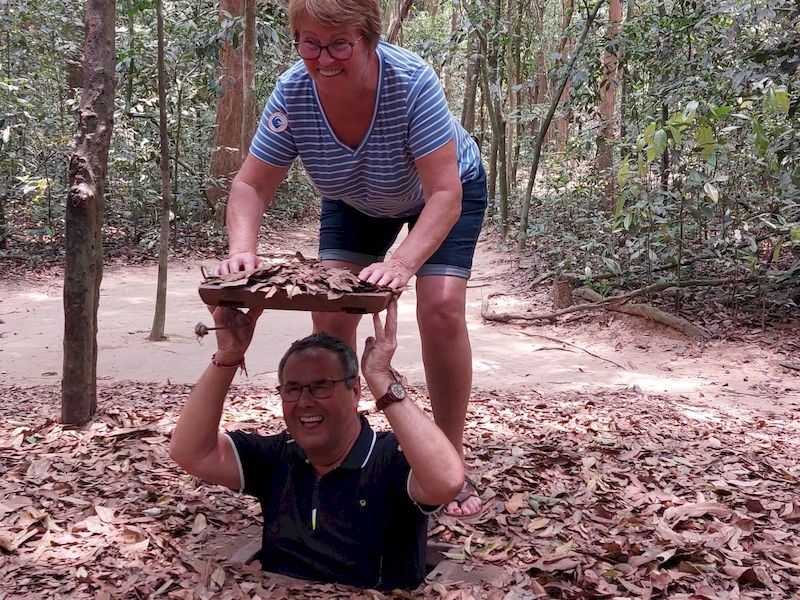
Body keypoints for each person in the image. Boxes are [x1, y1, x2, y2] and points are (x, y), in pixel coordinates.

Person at [218, 0, 486, 516]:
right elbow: (250, 183)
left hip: (443, 192)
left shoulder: (411, 82)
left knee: (442, 309)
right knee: (331, 315)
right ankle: (337, 454)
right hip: (354, 198)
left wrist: (402, 264)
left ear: (368, 39)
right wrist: (242, 250)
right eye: (310, 43)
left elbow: (445, 196)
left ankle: (447, 461)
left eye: (339, 43)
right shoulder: (293, 93)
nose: (323, 58)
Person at [170, 300, 465, 590]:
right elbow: (191, 452)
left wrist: (380, 378)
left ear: (355, 391)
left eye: (321, 387)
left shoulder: (390, 458)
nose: (305, 402)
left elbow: (447, 480)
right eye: (292, 389)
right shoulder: (277, 455)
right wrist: (228, 355)